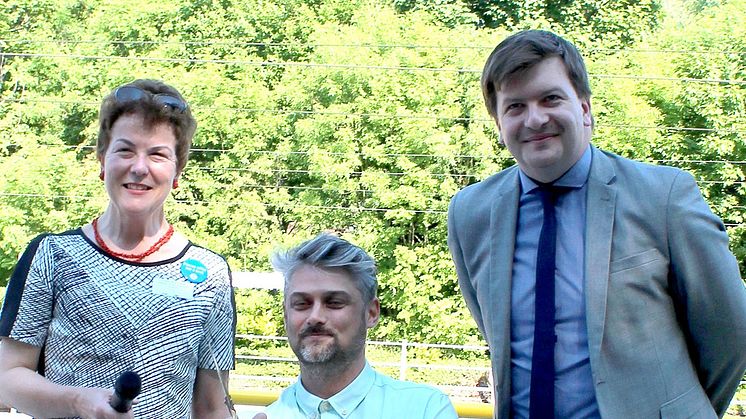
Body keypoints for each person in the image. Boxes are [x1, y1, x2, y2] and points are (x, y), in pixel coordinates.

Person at [447, 29, 746, 419]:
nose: (535, 118)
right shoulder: (470, 212)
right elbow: (496, 335)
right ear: (499, 122)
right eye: (515, 106)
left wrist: (678, 409)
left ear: (585, 109)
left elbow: (730, 331)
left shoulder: (664, 196)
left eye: (550, 98)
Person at [0, 79, 236, 418]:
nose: (139, 167)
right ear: (102, 160)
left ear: (177, 171)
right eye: (125, 150)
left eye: (157, 154)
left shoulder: (210, 274)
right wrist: (77, 401)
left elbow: (212, 407)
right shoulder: (51, 255)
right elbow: (6, 378)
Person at [255, 233, 458, 419]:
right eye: (302, 304)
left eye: (334, 302)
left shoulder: (425, 410)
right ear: (285, 315)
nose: (315, 317)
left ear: (371, 313)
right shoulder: (270, 416)